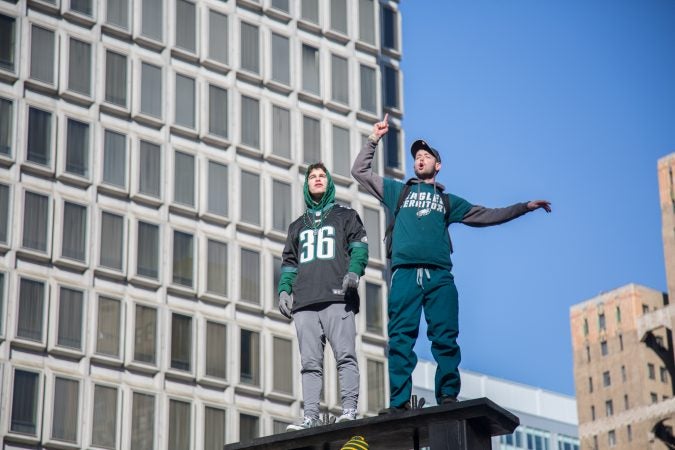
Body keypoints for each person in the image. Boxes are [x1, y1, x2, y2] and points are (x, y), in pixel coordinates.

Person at [351, 115, 551, 411]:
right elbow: (360, 171)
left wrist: (523, 208)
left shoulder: (447, 201)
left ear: (438, 165)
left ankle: (447, 395)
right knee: (400, 338)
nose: (420, 160)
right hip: (405, 275)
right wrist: (373, 138)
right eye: (416, 156)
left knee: (445, 337)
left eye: (426, 156)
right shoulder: (399, 191)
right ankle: (399, 403)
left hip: (439, 277)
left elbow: (487, 215)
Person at [278, 162, 369, 430]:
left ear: (329, 183)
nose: (317, 180)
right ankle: (310, 417)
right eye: (312, 177)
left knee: (345, 356)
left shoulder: (346, 215)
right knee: (309, 364)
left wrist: (354, 272)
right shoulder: (296, 226)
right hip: (304, 303)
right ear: (306, 185)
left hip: (338, 298)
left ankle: (350, 410)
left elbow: (360, 250)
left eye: (322, 176)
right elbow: (289, 263)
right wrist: (284, 289)